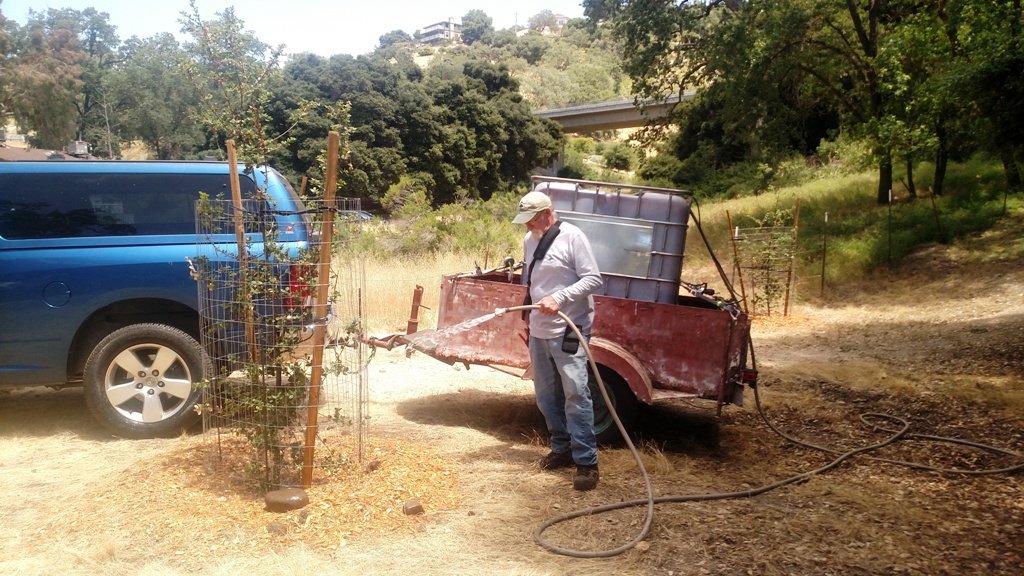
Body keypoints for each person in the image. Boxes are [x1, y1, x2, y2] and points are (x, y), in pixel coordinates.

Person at [512, 190, 604, 491]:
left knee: (576, 395)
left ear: (547, 213)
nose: (527, 226)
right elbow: (536, 280)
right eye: (524, 221)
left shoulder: (573, 237)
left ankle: (586, 463)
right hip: (540, 329)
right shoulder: (530, 240)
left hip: (569, 328)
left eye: (531, 220)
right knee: (546, 397)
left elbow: (593, 279)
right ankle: (561, 448)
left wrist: (560, 298)